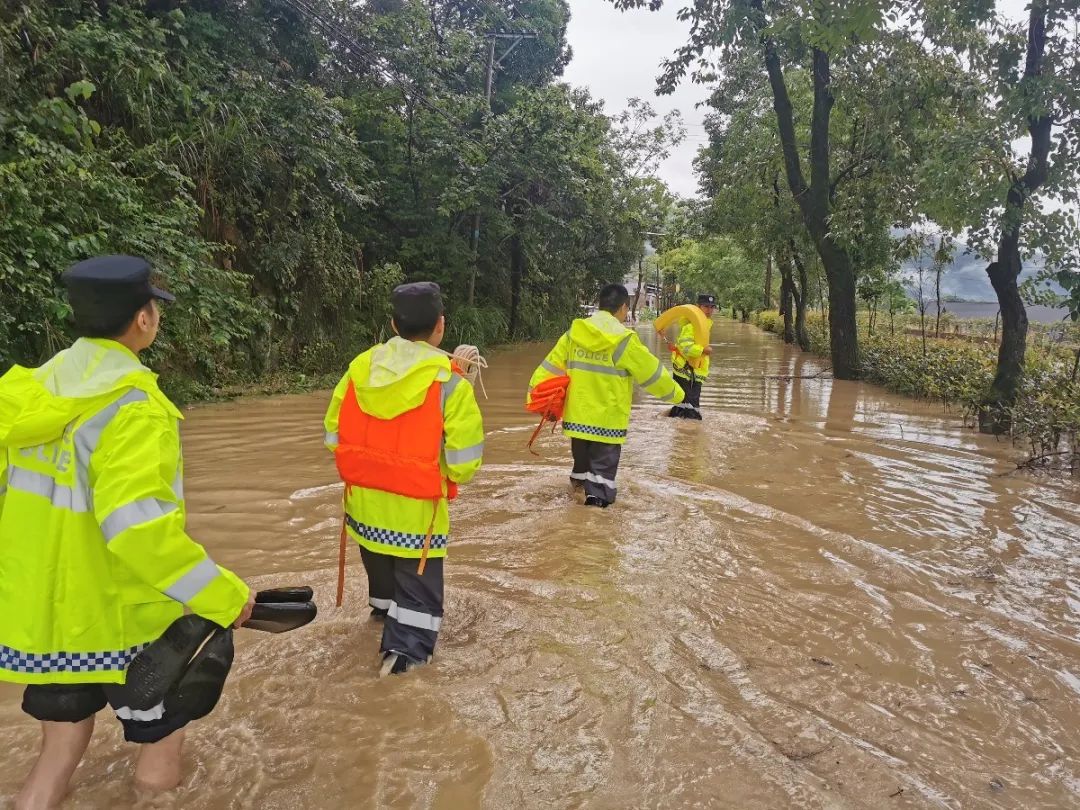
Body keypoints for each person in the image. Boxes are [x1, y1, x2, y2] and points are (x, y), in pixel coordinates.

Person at [0, 256, 255, 809]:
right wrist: (222, 595)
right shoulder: (134, 405)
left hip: (48, 622)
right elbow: (138, 530)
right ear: (143, 320)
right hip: (122, 617)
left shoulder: (27, 396)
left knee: (58, 749)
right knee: (162, 742)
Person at [323, 282, 484, 676]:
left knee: (382, 593)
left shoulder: (359, 369)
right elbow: (464, 463)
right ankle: (399, 672)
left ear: (393, 324)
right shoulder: (450, 383)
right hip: (417, 522)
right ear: (440, 327)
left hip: (363, 511)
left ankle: (379, 620)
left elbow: (333, 437)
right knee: (416, 617)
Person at [528, 283, 684, 508]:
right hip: (607, 425)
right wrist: (678, 395)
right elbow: (652, 374)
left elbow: (549, 369)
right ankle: (591, 529)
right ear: (623, 308)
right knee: (600, 486)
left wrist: (533, 395)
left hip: (577, 421)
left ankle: (574, 514)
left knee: (580, 476)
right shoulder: (624, 339)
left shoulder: (574, 333)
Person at [667, 293, 717, 420]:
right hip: (686, 371)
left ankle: (675, 426)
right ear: (697, 307)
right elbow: (685, 346)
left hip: (693, 373)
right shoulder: (691, 327)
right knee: (691, 409)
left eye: (712, 307)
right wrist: (702, 350)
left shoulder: (704, 325)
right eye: (706, 306)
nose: (709, 310)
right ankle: (689, 436)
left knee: (684, 406)